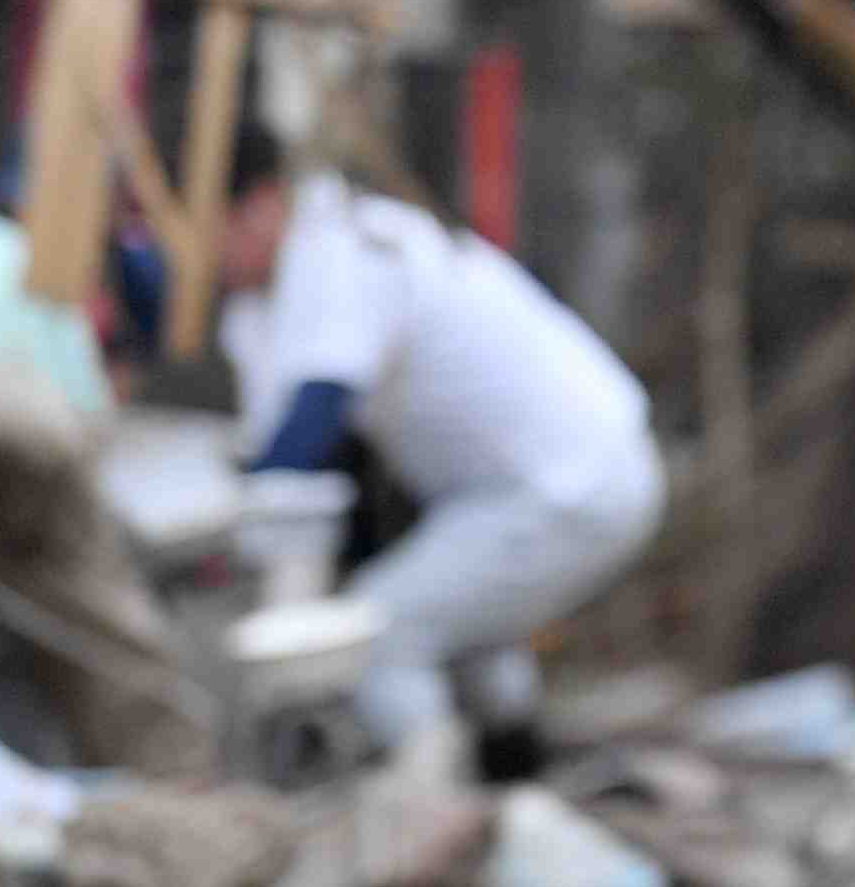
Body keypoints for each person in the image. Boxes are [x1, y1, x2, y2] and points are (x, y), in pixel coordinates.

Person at [214, 134, 662, 771]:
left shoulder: (341, 253)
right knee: (462, 627)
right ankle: (516, 785)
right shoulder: (335, 245)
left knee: (375, 636)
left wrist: (238, 511)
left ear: (259, 203)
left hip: (566, 485)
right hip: (556, 480)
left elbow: (307, 431)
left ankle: (435, 823)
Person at [0, 212, 210, 777]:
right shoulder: (17, 248)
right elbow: (84, 414)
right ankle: (172, 786)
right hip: (19, 413)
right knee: (95, 627)